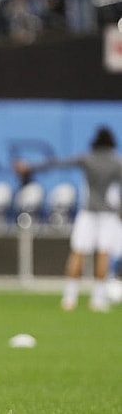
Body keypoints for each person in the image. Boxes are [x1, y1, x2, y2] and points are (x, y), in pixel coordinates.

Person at [14, 126, 122, 312]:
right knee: (103, 254)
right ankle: (97, 299)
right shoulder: (116, 162)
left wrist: (30, 166)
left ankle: (69, 298)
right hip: (108, 214)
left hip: (88, 212)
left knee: (78, 253)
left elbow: (58, 163)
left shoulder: (88, 158)